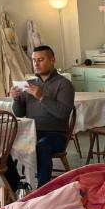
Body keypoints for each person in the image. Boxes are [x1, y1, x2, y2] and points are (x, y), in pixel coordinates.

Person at [5, 45, 74, 190]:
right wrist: (16, 99)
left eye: (41, 60)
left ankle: (42, 190)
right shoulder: (29, 84)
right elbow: (19, 113)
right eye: (34, 60)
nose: (36, 63)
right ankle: (16, 187)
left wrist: (41, 97)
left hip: (56, 134)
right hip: (31, 132)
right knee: (3, 145)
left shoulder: (64, 84)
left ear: (52, 60)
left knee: (42, 146)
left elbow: (63, 113)